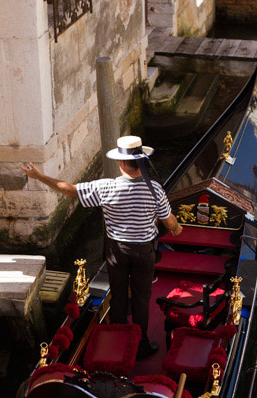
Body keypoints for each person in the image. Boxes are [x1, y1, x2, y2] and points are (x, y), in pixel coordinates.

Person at [21, 136, 182, 360]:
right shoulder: (154, 189)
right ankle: (141, 344)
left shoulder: (106, 187)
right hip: (144, 251)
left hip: (117, 250)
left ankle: (118, 340)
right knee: (141, 296)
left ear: (122, 163)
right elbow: (168, 220)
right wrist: (176, 229)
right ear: (141, 162)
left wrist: (39, 176)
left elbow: (69, 190)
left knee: (117, 294)